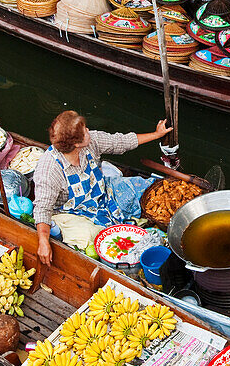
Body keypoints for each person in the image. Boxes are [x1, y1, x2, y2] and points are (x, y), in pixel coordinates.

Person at [33, 110, 171, 264]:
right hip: (75, 211)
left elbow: (120, 142)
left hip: (103, 193)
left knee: (141, 187)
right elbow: (42, 209)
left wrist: (156, 134)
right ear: (75, 144)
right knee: (93, 237)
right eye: (84, 131)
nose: (88, 131)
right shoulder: (49, 170)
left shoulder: (90, 141)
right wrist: (43, 242)